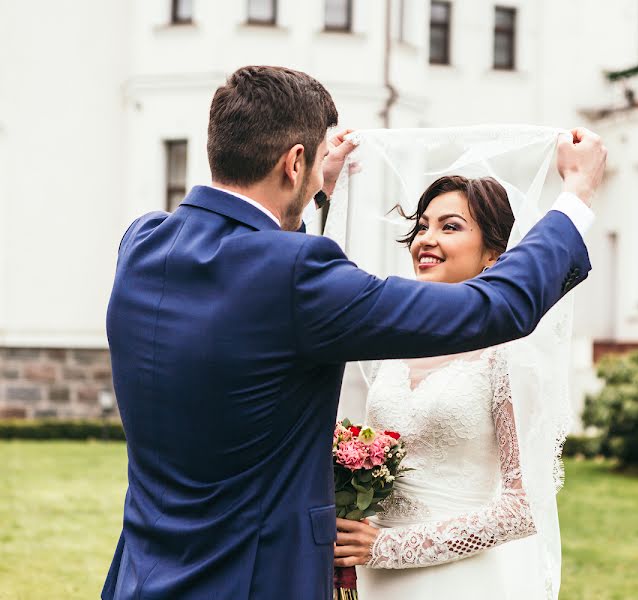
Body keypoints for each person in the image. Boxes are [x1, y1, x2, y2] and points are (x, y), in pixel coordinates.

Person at [102, 65, 606, 600]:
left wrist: (316, 197)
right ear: (295, 163)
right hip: (252, 581)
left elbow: (252, 282)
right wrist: (574, 198)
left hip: (143, 575)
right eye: (316, 164)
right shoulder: (297, 276)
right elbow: (493, 306)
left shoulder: (142, 244)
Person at [335, 175, 559, 598]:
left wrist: (390, 547)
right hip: (373, 580)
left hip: (457, 581)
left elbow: (525, 508)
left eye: (449, 226)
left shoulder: (508, 356)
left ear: (493, 253)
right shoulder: (393, 345)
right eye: (422, 226)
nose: (426, 239)